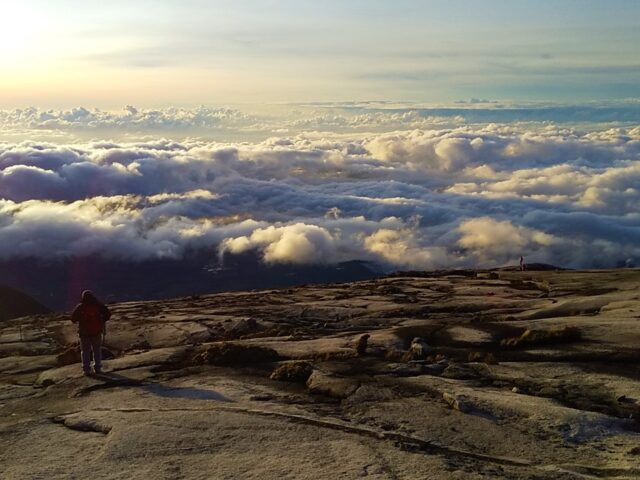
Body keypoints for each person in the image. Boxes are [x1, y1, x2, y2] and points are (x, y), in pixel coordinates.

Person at [71, 290, 111, 375]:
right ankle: (98, 368)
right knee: (97, 350)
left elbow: (73, 318)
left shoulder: (81, 306)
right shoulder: (98, 305)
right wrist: (101, 320)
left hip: (84, 333)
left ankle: (86, 370)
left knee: (85, 351)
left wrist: (81, 320)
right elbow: (108, 314)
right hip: (96, 332)